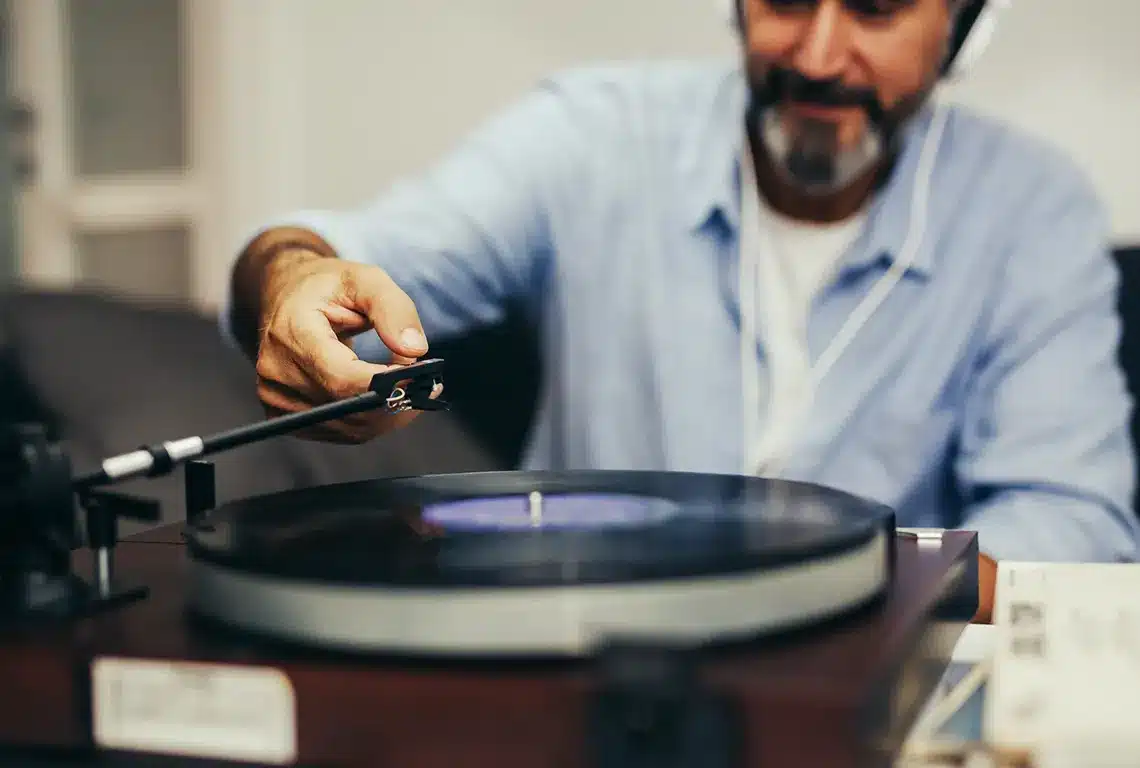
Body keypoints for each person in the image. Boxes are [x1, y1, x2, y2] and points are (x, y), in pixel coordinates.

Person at [224, 0, 1140, 623]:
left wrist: (833, 580)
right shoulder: (594, 134)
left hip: (872, 702)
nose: (818, 57)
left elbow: (1074, 533)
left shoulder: (1033, 210)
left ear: (964, 25)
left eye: (874, 7)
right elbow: (318, 252)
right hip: (573, 672)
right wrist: (294, 282)